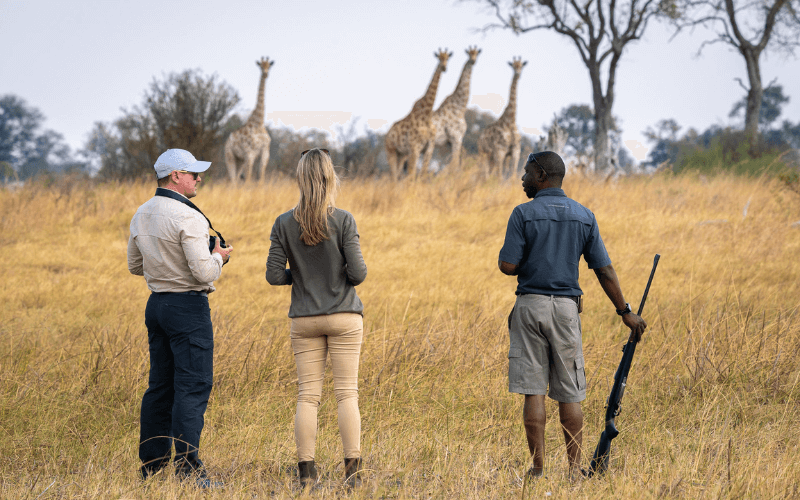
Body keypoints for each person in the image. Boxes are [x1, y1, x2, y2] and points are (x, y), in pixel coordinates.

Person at [497, 151, 646, 481]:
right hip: (566, 310)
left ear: (541, 175)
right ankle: (574, 470)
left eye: (526, 173)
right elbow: (604, 270)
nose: (522, 179)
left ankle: (537, 470)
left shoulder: (522, 213)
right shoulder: (584, 215)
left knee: (533, 391)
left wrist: (531, 261)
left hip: (530, 306)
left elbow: (507, 265)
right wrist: (625, 312)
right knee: (570, 391)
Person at [128, 148, 233, 488]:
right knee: (193, 385)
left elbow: (134, 266)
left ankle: (152, 467)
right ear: (175, 176)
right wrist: (218, 257)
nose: (199, 178)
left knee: (160, 387)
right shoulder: (189, 217)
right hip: (188, 308)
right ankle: (189, 469)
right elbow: (204, 273)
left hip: (156, 304)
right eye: (193, 173)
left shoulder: (141, 213)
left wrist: (163, 266)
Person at [266, 148, 367, 489]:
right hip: (344, 316)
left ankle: (307, 474)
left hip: (304, 319)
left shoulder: (283, 223)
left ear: (300, 179)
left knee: (308, 396)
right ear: (330, 177)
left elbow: (273, 275)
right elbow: (358, 274)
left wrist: (300, 276)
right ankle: (353, 473)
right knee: (347, 394)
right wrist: (335, 275)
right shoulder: (344, 220)